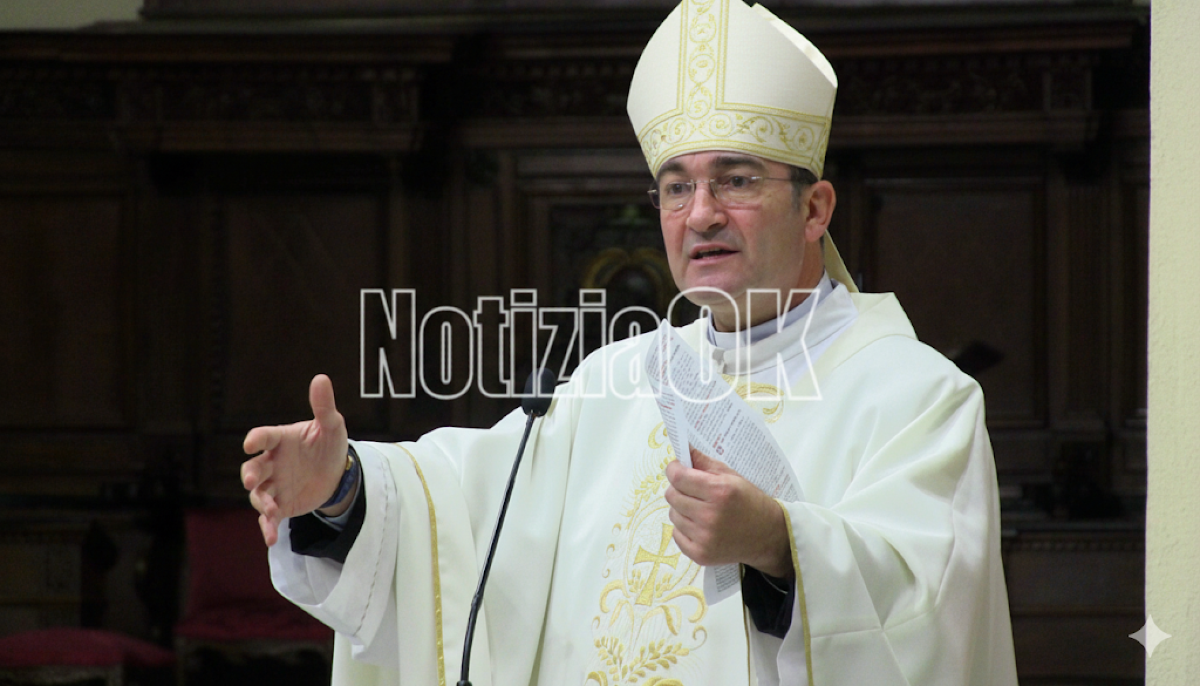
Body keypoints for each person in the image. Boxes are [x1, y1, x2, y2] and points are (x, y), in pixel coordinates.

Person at [240, 1, 1019, 684]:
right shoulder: (617, 378)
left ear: (815, 208)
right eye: (677, 186)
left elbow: (931, 615)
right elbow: (467, 512)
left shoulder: (916, 396)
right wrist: (341, 490)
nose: (701, 213)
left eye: (737, 180)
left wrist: (781, 546)